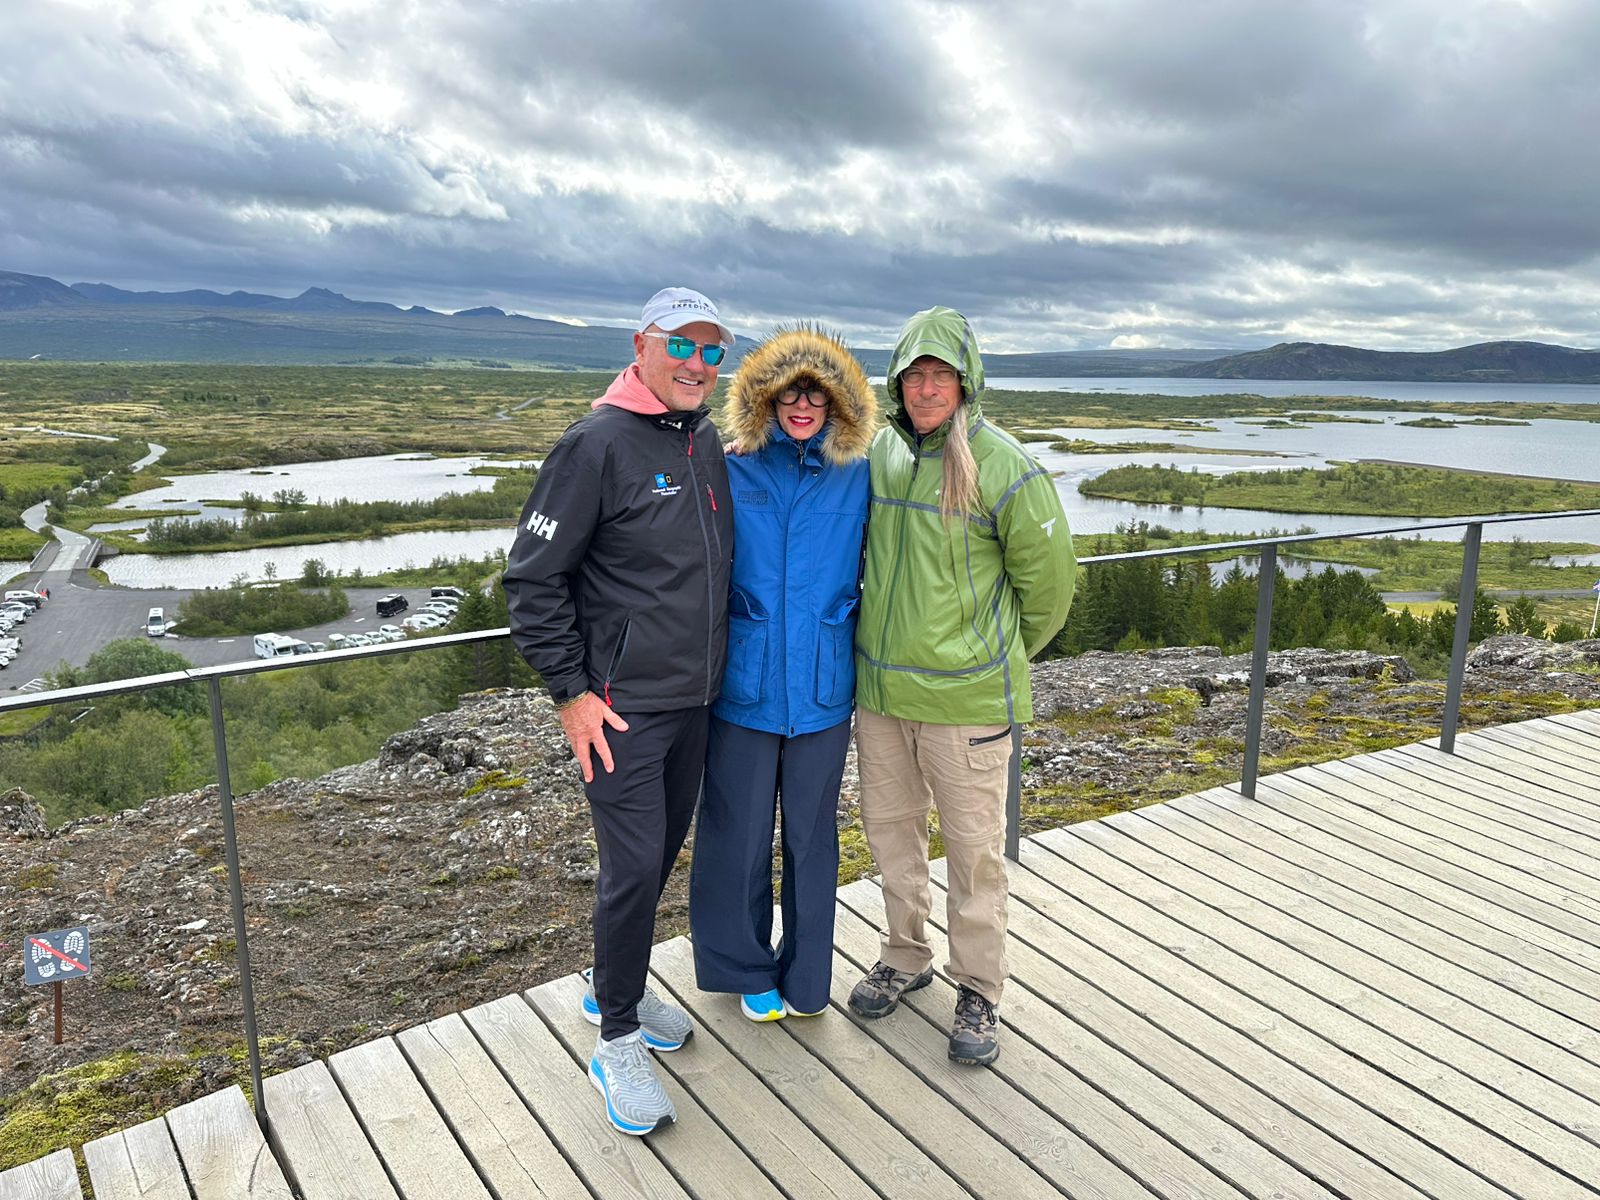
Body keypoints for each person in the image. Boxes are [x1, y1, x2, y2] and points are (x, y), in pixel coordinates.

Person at [504, 286, 735, 1136]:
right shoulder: (595, 444)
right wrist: (571, 694)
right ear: (641, 345)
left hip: (696, 702)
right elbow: (531, 581)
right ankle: (617, 1037)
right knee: (634, 868)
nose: (697, 364)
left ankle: (616, 988)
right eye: (682, 345)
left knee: (660, 854)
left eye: (713, 351)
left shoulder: (700, 439)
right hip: (624, 710)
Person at [849, 305, 1076, 1066]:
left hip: (968, 705)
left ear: (965, 380)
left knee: (974, 854)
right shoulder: (878, 454)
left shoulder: (1003, 464)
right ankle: (904, 956)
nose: (925, 387)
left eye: (939, 373)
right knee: (892, 837)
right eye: (913, 374)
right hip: (882, 698)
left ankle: (978, 988)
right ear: (898, 383)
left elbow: (1048, 592)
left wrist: (990, 656)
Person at [690, 327, 876, 1021]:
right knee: (735, 833)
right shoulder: (730, 462)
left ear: (839, 407)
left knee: (811, 838)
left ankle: (806, 978)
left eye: (818, 395)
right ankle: (744, 968)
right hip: (745, 681)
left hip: (824, 688)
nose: (803, 405)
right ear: (764, 402)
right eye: (790, 393)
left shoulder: (861, 472)